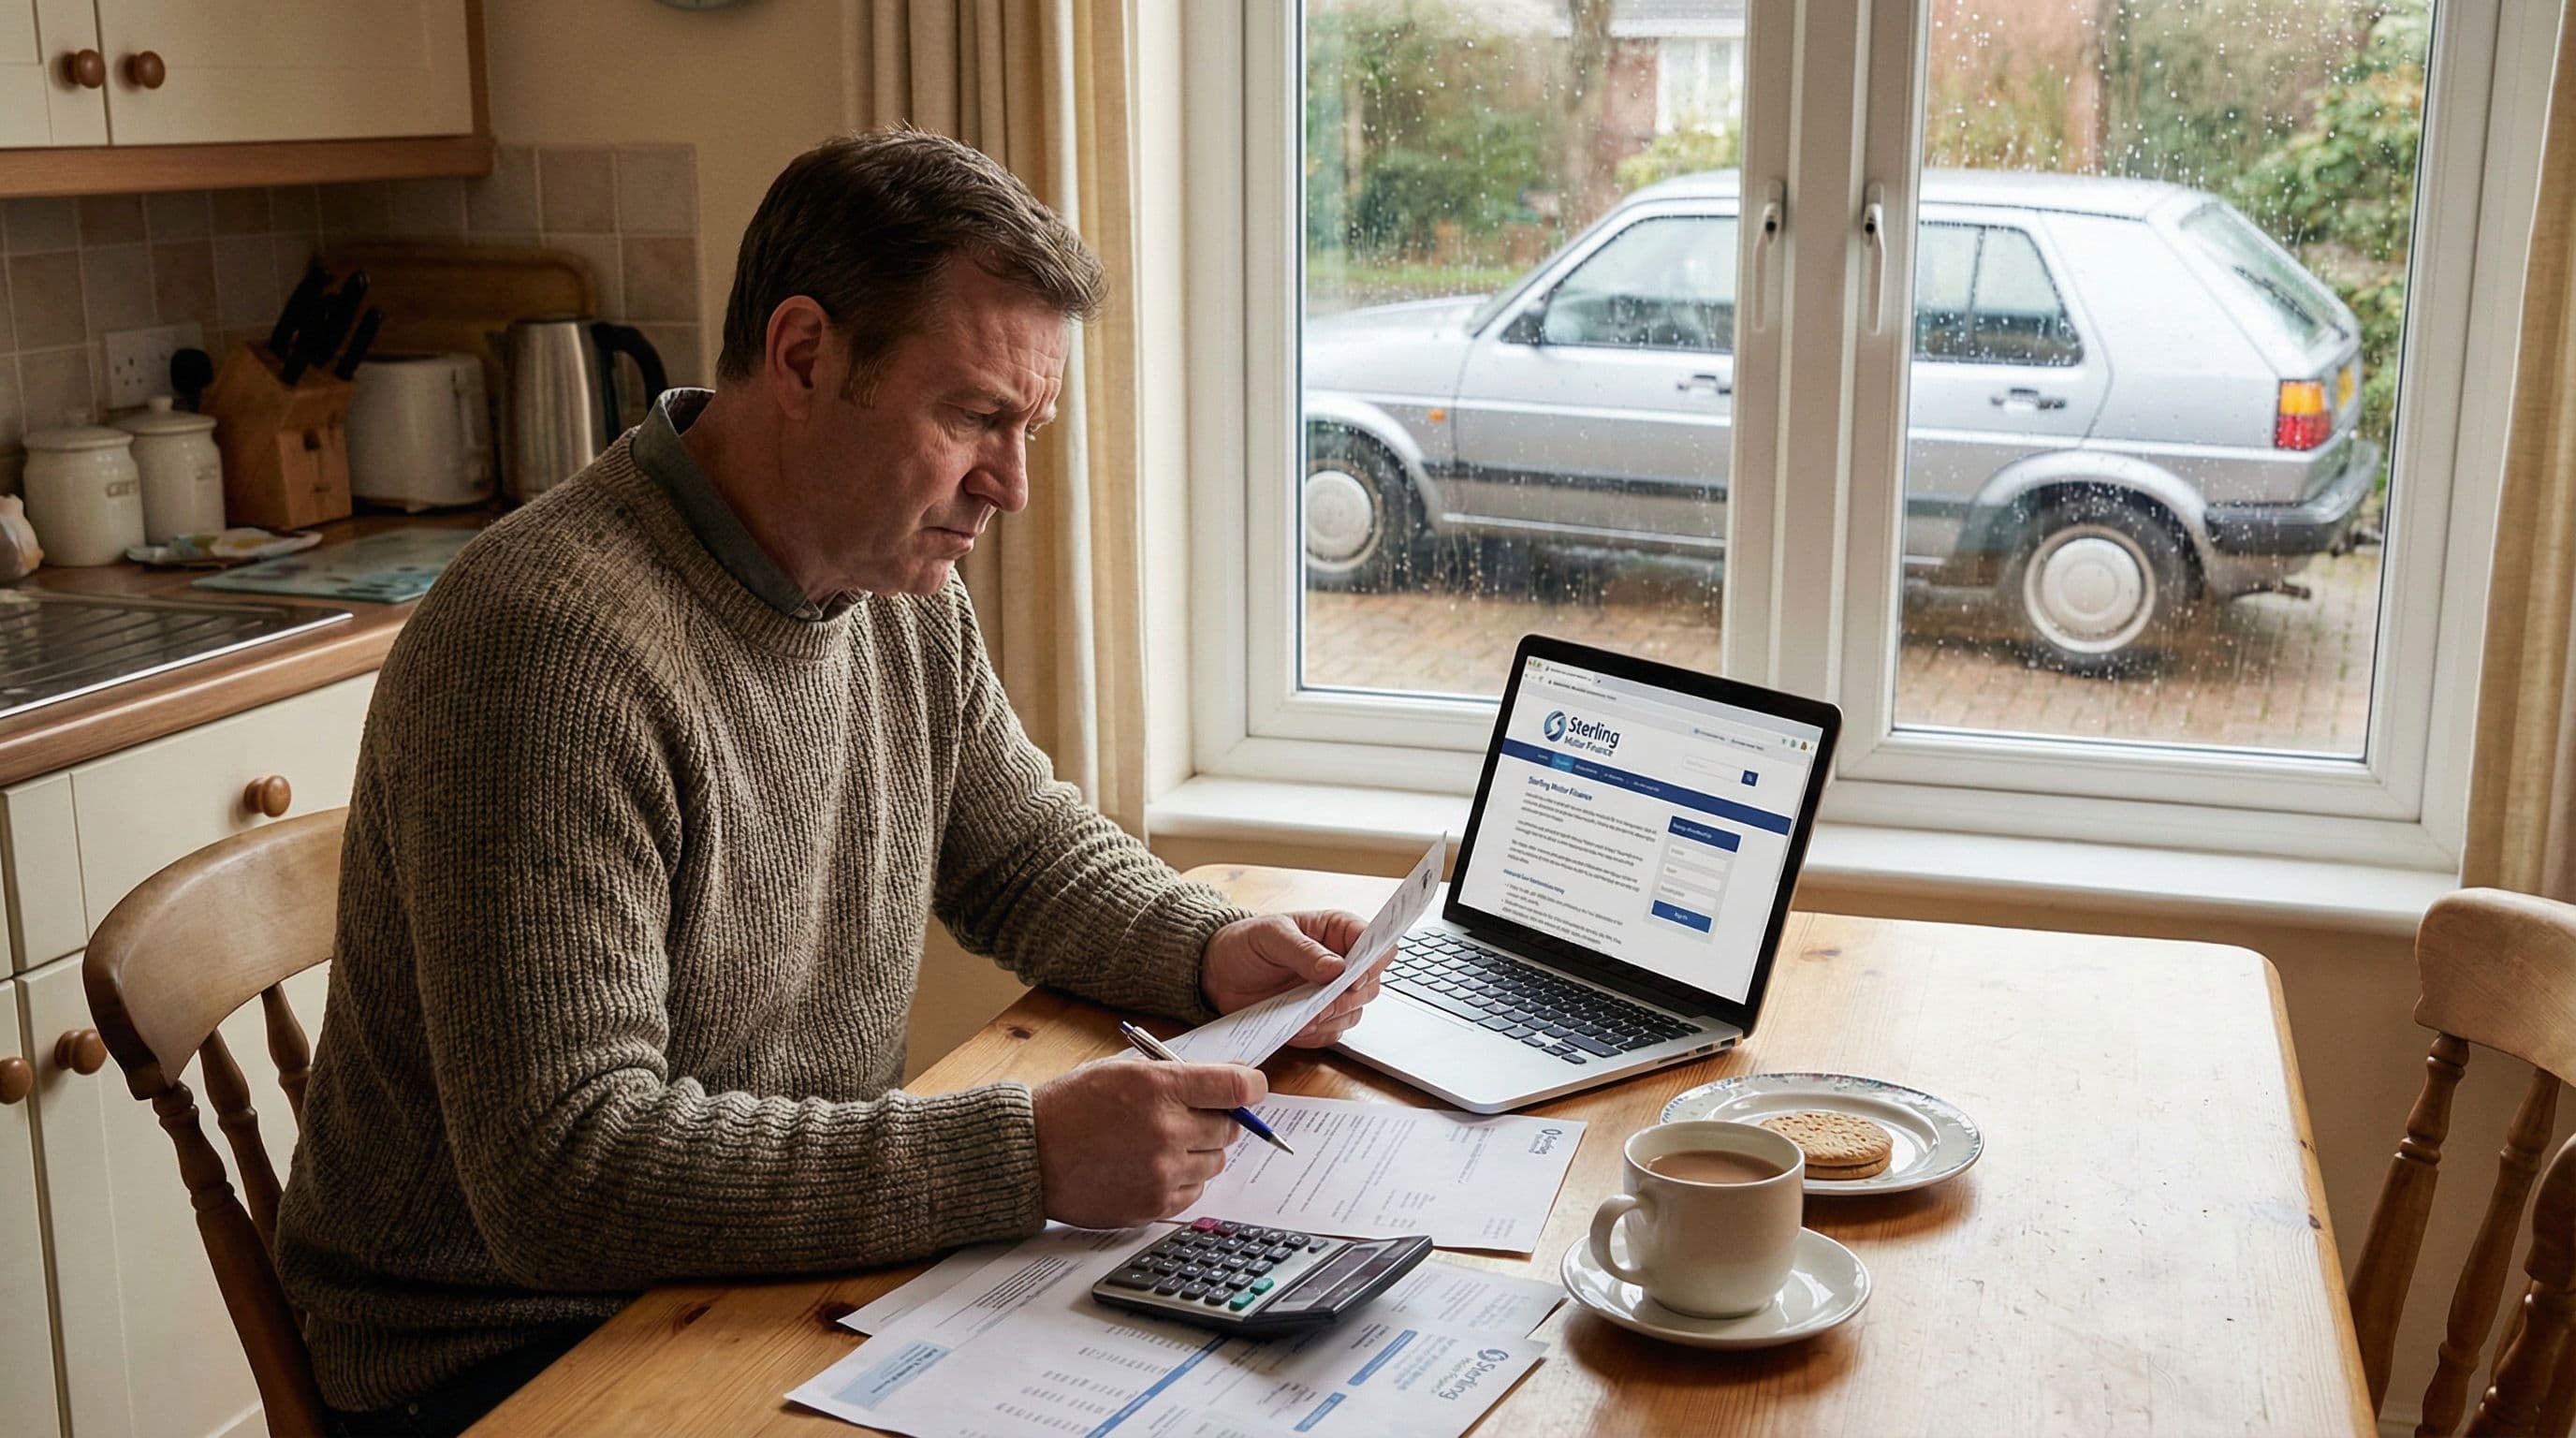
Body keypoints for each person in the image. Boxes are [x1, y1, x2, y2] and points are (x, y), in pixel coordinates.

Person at [274, 127, 1381, 1436]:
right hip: (508, 1360)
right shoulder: (546, 652)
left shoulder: (890, 585)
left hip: (770, 1280)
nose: (1011, 486)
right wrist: (1025, 1154)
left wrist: (1208, 949)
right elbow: (565, 1174)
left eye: (1030, 426)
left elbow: (1020, 849)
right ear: (804, 356)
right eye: (973, 415)